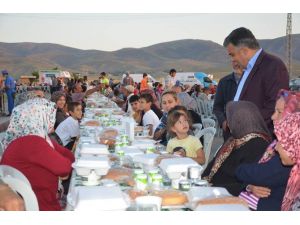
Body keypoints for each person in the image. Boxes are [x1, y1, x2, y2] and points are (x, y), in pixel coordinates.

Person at [0, 98, 74, 211]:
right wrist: (63, 162)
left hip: (37, 202)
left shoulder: (28, 138)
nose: (52, 120)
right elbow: (65, 168)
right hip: (42, 206)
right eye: (49, 116)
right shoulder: (33, 142)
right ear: (39, 118)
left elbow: (68, 156)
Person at [236, 90, 300, 211]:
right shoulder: (275, 143)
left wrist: (243, 174)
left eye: (280, 112)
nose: (272, 117)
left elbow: (252, 173)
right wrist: (249, 186)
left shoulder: (286, 155)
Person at [223, 27, 289, 132]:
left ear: (244, 51)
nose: (232, 59)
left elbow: (275, 106)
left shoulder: (273, 65)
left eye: (233, 55)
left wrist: (244, 126)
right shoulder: (248, 69)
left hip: (260, 140)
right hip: (244, 137)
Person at [202, 101, 272, 196]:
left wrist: (213, 188)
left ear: (239, 120)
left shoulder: (257, 146)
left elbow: (245, 183)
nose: (227, 122)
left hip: (228, 196)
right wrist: (203, 181)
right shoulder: (234, 139)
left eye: (229, 118)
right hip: (213, 189)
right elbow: (213, 164)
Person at [213, 62, 243, 141]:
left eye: (238, 60)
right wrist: (223, 121)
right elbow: (217, 107)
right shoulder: (224, 82)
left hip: (250, 129)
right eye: (233, 61)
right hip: (229, 130)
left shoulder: (253, 80)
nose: (236, 63)